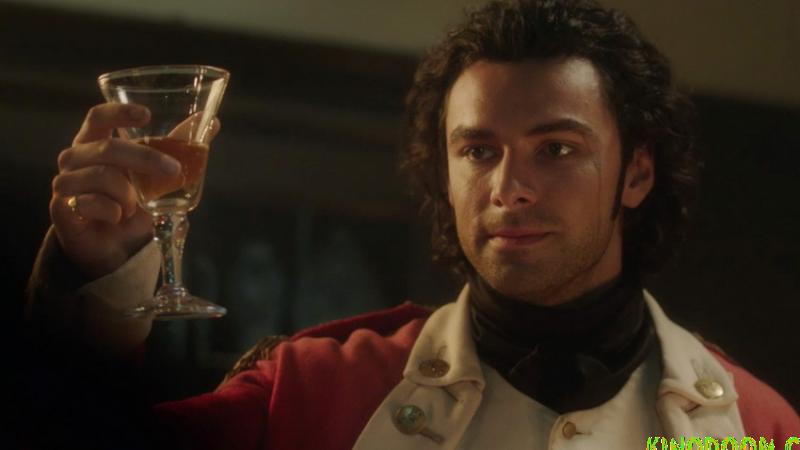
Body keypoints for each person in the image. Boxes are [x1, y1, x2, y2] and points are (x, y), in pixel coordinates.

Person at [24, 0, 799, 448]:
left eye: (557, 149)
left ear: (637, 173)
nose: (509, 188)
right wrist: (97, 278)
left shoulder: (758, 425)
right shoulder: (314, 390)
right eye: (479, 150)